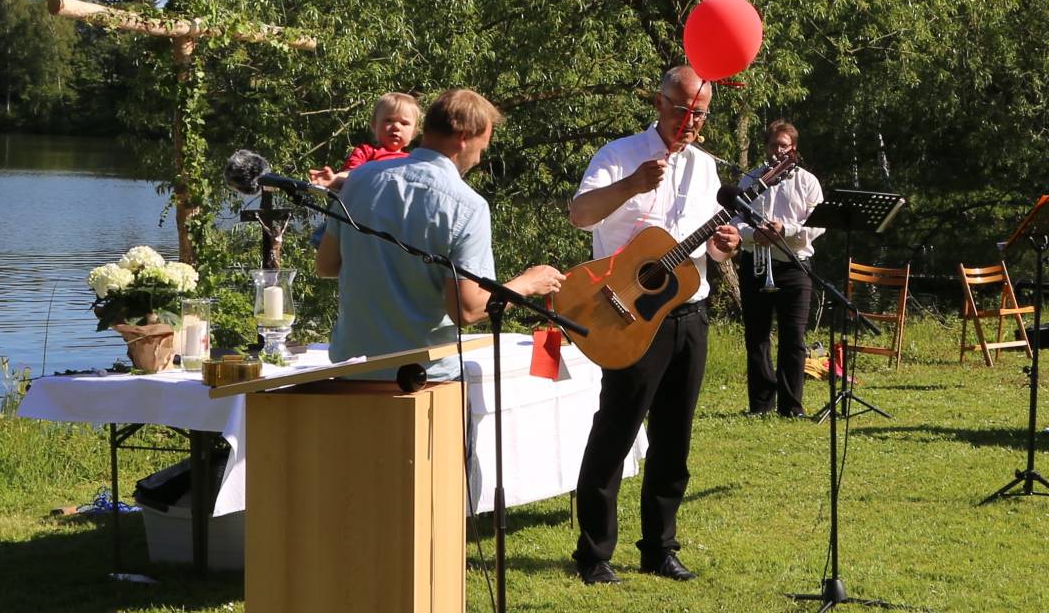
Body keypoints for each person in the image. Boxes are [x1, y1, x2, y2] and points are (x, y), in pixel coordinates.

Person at [568, 66, 740, 585]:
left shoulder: (707, 169)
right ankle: (594, 553)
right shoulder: (618, 154)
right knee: (615, 433)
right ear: (659, 102)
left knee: (674, 439)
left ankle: (659, 548)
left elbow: (700, 242)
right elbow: (580, 215)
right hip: (629, 317)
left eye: (700, 112)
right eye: (682, 107)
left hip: (690, 314)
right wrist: (632, 184)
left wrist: (722, 246)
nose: (690, 120)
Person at [316, 88, 565, 380]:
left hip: (351, 371)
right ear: (463, 137)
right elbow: (468, 310)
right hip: (422, 377)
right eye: (481, 148)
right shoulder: (468, 206)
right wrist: (527, 283)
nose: (479, 158)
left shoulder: (358, 180)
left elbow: (326, 265)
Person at [734, 119, 824, 418]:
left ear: (793, 149)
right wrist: (751, 234)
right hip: (756, 263)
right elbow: (734, 221)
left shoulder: (807, 181)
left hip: (794, 266)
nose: (778, 151)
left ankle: (791, 406)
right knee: (757, 336)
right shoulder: (751, 180)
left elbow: (817, 224)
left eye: (783, 146)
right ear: (767, 147)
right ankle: (760, 405)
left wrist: (784, 229)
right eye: (773, 145)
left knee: (793, 338)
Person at [309, 91, 420, 190]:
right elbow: (351, 175)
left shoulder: (414, 162)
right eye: (389, 120)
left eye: (404, 123)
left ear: (414, 133)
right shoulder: (366, 152)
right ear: (374, 125)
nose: (396, 126)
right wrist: (334, 180)